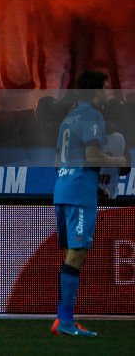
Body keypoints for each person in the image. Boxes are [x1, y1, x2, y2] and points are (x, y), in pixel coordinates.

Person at [51, 70, 128, 337]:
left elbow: (59, 158)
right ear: (96, 91)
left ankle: (62, 319)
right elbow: (94, 155)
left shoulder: (69, 117)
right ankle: (67, 323)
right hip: (79, 192)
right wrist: (121, 162)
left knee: (71, 254)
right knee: (77, 254)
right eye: (105, 88)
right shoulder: (93, 116)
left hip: (62, 187)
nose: (107, 94)